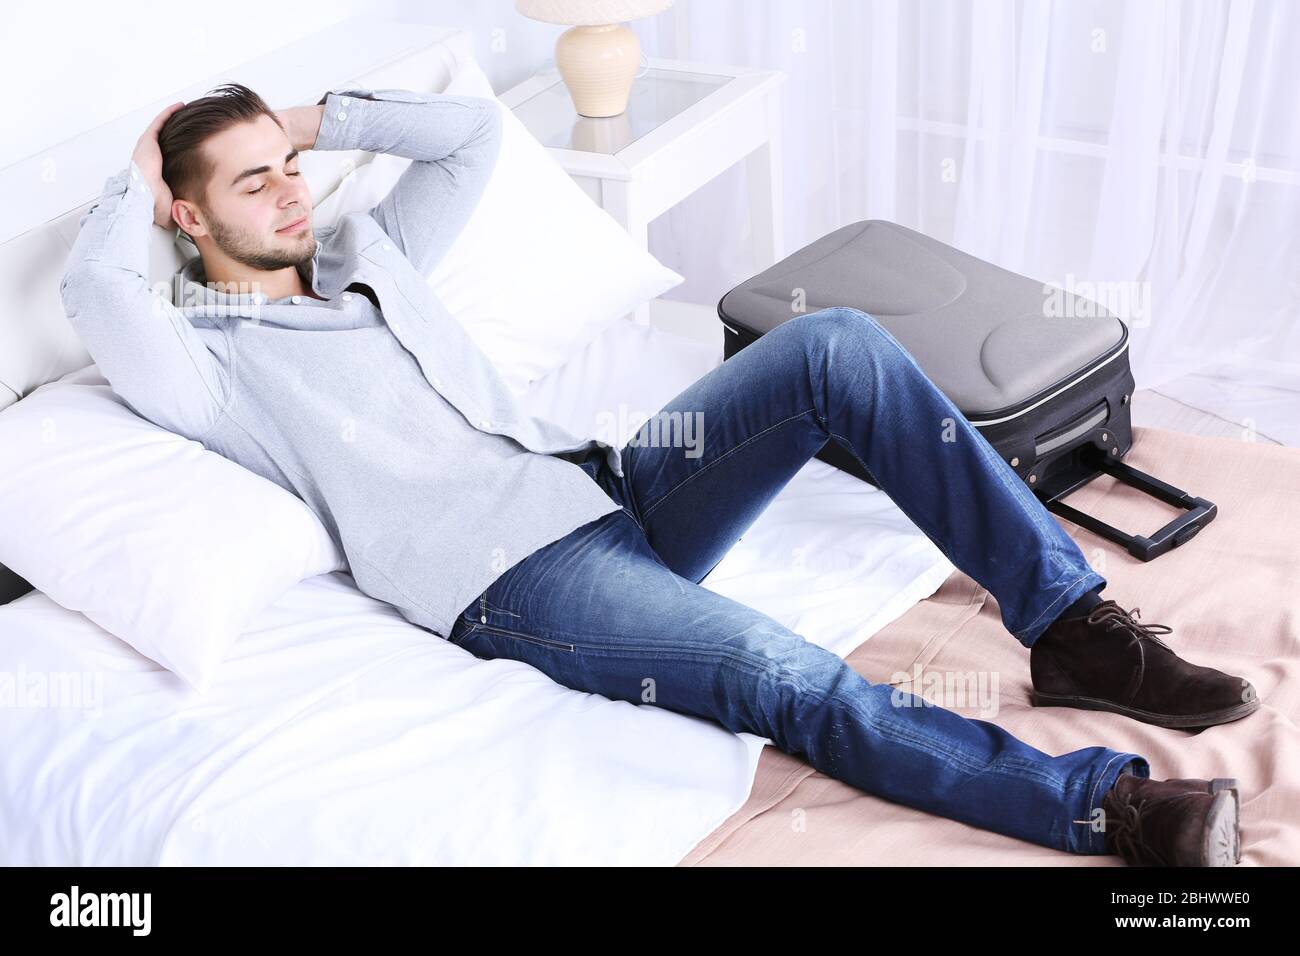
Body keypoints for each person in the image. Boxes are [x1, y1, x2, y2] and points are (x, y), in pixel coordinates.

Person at [61, 83, 1259, 867]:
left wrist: (315, 120)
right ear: (184, 213)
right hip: (520, 583)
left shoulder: (371, 260)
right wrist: (135, 163)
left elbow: (476, 136)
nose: (287, 192)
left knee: (832, 344)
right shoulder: (211, 359)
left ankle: (1074, 625)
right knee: (780, 669)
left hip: (607, 487)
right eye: (251, 180)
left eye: (286, 169)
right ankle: (1102, 805)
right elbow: (96, 293)